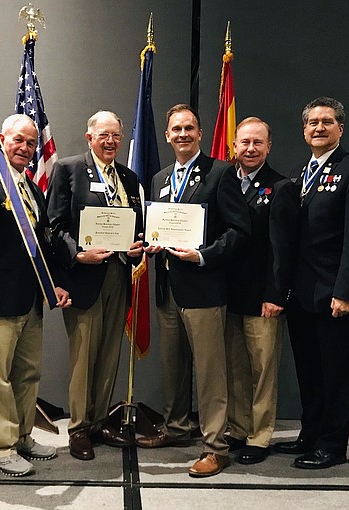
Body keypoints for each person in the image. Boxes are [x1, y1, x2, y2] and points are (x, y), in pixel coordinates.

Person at [136, 104, 250, 478]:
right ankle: (176, 428)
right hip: (168, 288)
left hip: (204, 287)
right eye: (176, 129)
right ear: (167, 136)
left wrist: (202, 256)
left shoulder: (220, 173)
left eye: (189, 128)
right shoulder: (159, 178)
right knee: (173, 368)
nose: (182, 134)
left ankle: (216, 447)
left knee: (211, 373)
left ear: (200, 134)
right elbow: (158, 227)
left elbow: (238, 233)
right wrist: (150, 244)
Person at [0, 114, 70, 477]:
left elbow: (41, 244)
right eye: (18, 140)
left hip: (31, 298)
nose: (24, 148)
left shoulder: (32, 188)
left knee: (27, 374)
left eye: (31, 143)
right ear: (2, 140)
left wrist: (54, 282)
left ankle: (21, 436)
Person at [273, 97, 349, 469]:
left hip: (337, 294)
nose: (319, 128)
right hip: (304, 294)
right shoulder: (302, 172)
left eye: (327, 122)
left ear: (341, 128)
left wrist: (347, 291)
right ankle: (311, 433)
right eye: (312, 123)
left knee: (336, 373)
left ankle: (332, 444)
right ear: (304, 131)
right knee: (310, 370)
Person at [46, 111, 144, 461]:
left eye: (116, 136)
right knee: (84, 355)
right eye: (103, 135)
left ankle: (101, 420)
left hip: (119, 275)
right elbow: (53, 227)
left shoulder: (130, 179)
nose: (110, 141)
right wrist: (77, 256)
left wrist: (136, 248)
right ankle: (79, 427)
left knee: (109, 353)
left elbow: (136, 229)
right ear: (89, 137)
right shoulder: (68, 169)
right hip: (84, 276)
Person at [224, 117, 298, 465]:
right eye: (244, 143)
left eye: (257, 143)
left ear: (269, 147)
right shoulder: (224, 181)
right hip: (228, 294)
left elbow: (281, 248)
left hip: (262, 296)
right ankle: (238, 429)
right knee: (236, 369)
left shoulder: (280, 187)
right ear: (234, 146)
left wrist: (276, 294)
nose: (250, 149)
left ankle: (260, 435)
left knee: (262, 370)